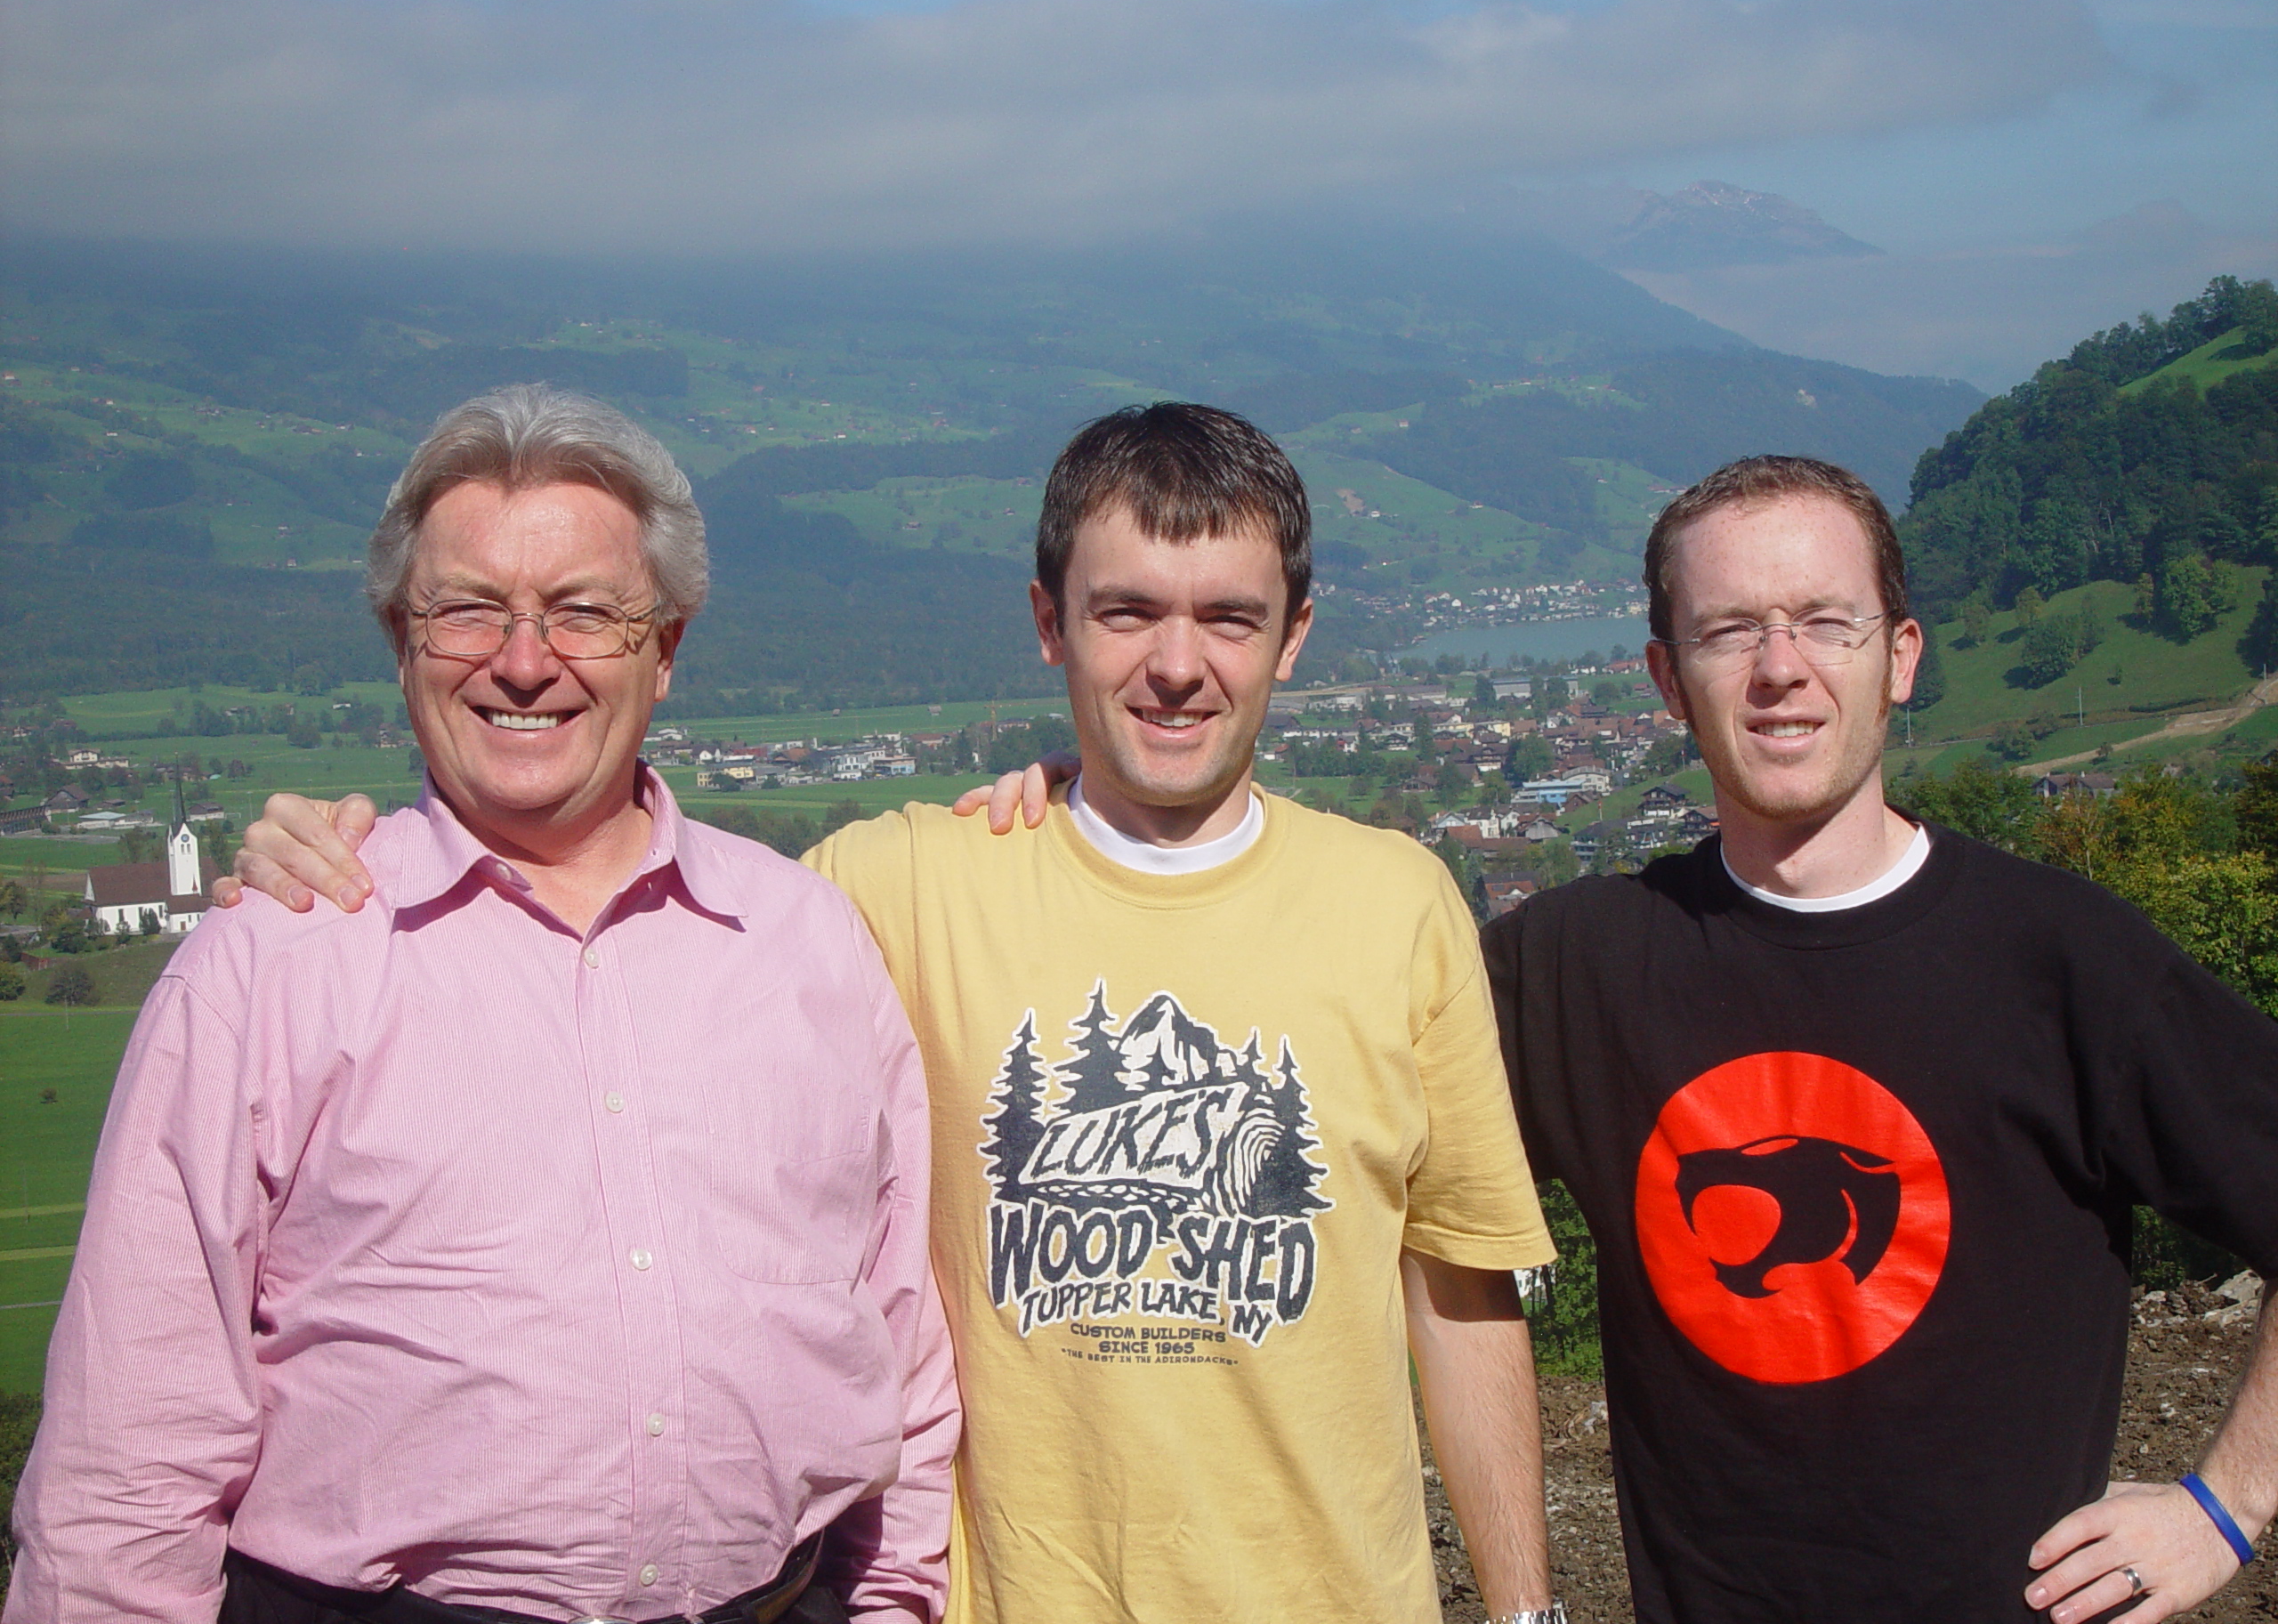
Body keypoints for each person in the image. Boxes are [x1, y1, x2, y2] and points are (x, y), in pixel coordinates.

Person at [214, 402, 1567, 1624]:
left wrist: (1523, 1614)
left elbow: (1460, 1293)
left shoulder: (1398, 905)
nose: (1176, 664)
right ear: (1049, 623)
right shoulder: (893, 885)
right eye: (1126, 611)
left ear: (1297, 634)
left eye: (1227, 616)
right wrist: (348, 851)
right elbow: (618, 894)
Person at [7, 386, 958, 1624]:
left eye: (585, 613)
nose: (524, 661)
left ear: (663, 650)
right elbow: (128, 1462)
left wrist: (890, 1605)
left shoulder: (809, 944)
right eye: (467, 611)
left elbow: (901, 1350)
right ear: (401, 643)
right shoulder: (276, 961)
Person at [1485, 455, 2278, 1622]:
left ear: (1900, 657)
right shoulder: (1574, 966)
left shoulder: (2067, 964)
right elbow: (1356, 1159)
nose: (1780, 670)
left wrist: (2226, 1506)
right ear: (1666, 678)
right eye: (1728, 631)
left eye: (1824, 622)